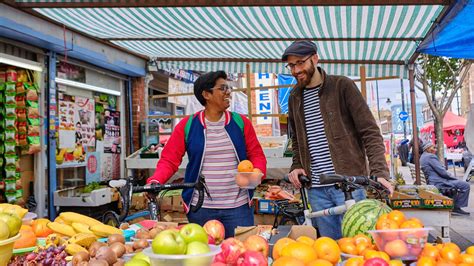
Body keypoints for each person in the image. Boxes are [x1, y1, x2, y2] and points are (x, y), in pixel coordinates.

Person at [282, 41, 393, 239]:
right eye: (291, 65)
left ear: (315, 59)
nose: (296, 70)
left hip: (348, 185)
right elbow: (297, 140)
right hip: (315, 188)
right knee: (329, 250)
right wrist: (297, 164)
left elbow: (370, 131)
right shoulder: (294, 97)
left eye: (300, 63)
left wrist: (379, 172)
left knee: (357, 246)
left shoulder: (342, 86)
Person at [147, 71, 267, 238]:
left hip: (238, 208)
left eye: (228, 87)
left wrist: (257, 173)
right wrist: (155, 180)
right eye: (223, 88)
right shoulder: (187, 126)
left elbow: (257, 156)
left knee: (240, 255)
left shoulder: (241, 123)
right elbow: (169, 160)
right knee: (204, 256)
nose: (228, 92)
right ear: (206, 94)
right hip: (201, 208)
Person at [420, 142, 470, 215]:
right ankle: (456, 207)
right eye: (433, 148)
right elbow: (442, 172)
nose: (435, 149)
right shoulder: (430, 157)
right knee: (465, 185)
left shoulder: (423, 157)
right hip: (438, 182)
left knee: (459, 184)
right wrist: (454, 178)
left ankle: (455, 206)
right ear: (427, 149)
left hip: (433, 181)